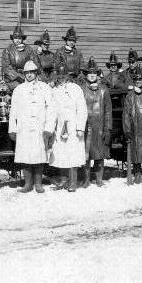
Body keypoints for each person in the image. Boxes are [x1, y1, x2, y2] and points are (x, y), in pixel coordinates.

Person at [8, 60, 56, 193]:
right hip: (24, 128)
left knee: (39, 156)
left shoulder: (45, 88)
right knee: (26, 157)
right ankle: (27, 184)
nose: (29, 75)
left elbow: (52, 109)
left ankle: (38, 184)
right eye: (27, 73)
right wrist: (12, 129)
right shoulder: (18, 89)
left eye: (32, 72)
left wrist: (48, 128)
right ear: (24, 74)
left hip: (40, 128)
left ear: (36, 73)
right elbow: (14, 111)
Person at [49, 64, 87, 192]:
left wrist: (80, 127)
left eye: (63, 76)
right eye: (59, 77)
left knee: (73, 153)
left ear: (68, 76)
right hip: (60, 126)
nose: (61, 79)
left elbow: (82, 109)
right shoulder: (54, 91)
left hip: (73, 125)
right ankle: (63, 179)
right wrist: (52, 127)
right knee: (61, 153)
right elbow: (52, 110)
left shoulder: (76, 89)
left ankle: (73, 182)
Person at [80, 57, 112, 187]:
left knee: (99, 155)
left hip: (100, 127)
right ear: (86, 75)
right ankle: (86, 179)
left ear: (97, 75)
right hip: (86, 126)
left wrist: (108, 128)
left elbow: (108, 111)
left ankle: (99, 179)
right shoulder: (81, 89)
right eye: (89, 73)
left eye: (94, 73)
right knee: (86, 155)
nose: (92, 75)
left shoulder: (104, 90)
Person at [2, 24, 38, 91]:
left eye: (19, 38)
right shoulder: (7, 51)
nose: (17, 40)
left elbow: (33, 64)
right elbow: (6, 68)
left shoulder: (29, 50)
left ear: (22, 39)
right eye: (15, 38)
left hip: (27, 77)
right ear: (13, 39)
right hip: (12, 80)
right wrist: (18, 77)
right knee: (19, 88)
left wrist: (28, 77)